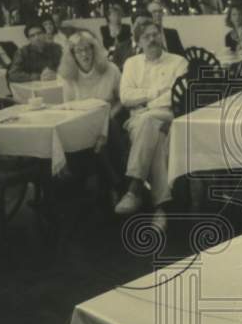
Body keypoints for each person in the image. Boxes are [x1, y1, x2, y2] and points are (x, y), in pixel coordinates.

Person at [114, 18, 188, 230]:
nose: (152, 39)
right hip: (139, 120)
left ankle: (134, 188)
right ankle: (161, 208)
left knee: (150, 120)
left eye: (155, 34)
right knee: (154, 134)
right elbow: (126, 96)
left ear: (161, 36)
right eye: (146, 36)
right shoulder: (131, 63)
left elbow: (177, 96)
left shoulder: (178, 62)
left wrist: (147, 103)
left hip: (169, 116)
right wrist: (155, 93)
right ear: (138, 42)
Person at [58, 30, 126, 204]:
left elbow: (121, 100)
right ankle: (117, 185)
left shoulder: (110, 69)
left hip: (111, 117)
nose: (84, 54)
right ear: (72, 54)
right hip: (82, 123)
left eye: (88, 49)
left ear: (95, 50)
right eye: (78, 51)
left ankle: (112, 186)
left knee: (107, 128)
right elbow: (69, 108)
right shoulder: (68, 76)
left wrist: (106, 118)